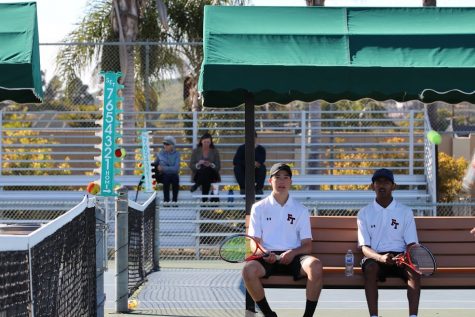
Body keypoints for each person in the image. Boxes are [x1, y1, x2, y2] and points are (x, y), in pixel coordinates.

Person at [242, 163, 323, 317]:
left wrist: (292, 253)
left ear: (291, 182)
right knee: (248, 270)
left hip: (294, 257)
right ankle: (268, 314)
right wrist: (266, 253)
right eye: (277, 177)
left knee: (316, 266)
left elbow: (307, 246)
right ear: (270, 181)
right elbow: (254, 242)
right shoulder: (258, 208)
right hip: (267, 258)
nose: (282, 181)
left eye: (286, 177)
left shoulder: (301, 209)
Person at [357, 168, 420, 317]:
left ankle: (413, 316)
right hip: (375, 257)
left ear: (393, 186)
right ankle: (374, 316)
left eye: (386, 181)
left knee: (414, 270)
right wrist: (381, 258)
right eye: (378, 182)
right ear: (373, 186)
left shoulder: (405, 211)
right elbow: (365, 248)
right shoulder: (364, 213)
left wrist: (406, 257)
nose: (382, 185)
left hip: (401, 257)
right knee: (370, 268)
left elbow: (411, 244)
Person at [189, 132, 221, 202]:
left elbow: (218, 167)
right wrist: (198, 164)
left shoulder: (215, 151)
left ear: (211, 142)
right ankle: (204, 200)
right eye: (204, 142)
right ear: (201, 141)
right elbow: (191, 165)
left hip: (212, 175)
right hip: (198, 174)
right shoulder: (196, 151)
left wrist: (211, 164)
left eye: (208, 142)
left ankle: (197, 185)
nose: (206, 144)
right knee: (205, 174)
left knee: (207, 171)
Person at [153, 135, 180, 203]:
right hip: (163, 175)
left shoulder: (177, 154)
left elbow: (176, 169)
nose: (165, 145)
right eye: (164, 144)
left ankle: (174, 201)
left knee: (175, 178)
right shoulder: (160, 153)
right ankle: (166, 201)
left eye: (167, 144)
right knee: (166, 178)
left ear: (172, 145)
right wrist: (158, 168)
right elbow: (155, 164)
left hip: (173, 175)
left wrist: (163, 168)